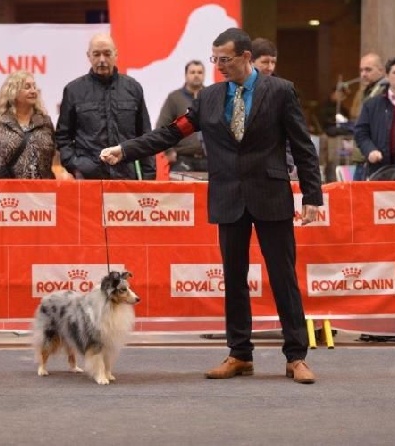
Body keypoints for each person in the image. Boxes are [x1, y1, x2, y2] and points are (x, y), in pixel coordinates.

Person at [101, 27, 322, 384]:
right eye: (214, 59)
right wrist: (125, 150)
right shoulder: (209, 98)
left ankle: (295, 356)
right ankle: (240, 354)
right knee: (234, 279)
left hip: (271, 195)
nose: (218, 66)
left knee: (283, 278)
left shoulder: (280, 92)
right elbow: (170, 133)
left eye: (225, 60)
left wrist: (312, 195)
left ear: (246, 57)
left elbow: (302, 146)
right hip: (228, 198)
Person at [55, 33, 156, 180]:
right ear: (88, 56)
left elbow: (145, 137)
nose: (102, 59)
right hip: (87, 178)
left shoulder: (133, 88)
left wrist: (149, 177)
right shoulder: (73, 91)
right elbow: (62, 136)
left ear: (116, 54)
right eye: (96, 54)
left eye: (107, 54)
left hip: (126, 177)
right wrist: (76, 165)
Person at [0, 70, 56, 179]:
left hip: (40, 191)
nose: (33, 91)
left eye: (34, 87)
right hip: (2, 191)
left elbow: (50, 155)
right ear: (13, 92)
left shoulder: (44, 121)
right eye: (27, 87)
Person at [250, 37, 295, 178]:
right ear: (250, 61)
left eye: (273, 62)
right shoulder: (235, 89)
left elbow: (293, 131)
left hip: (275, 168)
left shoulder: (284, 91)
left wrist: (288, 160)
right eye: (264, 62)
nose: (270, 67)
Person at [156, 60, 207, 173]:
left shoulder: (211, 97)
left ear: (204, 75)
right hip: (182, 159)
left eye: (199, 72)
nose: (196, 75)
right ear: (186, 75)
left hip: (209, 159)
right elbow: (161, 127)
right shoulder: (174, 98)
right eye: (192, 72)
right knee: (183, 190)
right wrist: (168, 151)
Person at [349, 53, 389, 180]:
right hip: (363, 155)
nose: (363, 74)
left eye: (368, 69)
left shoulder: (386, 91)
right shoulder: (366, 91)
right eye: (361, 70)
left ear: (381, 70)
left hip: (375, 157)